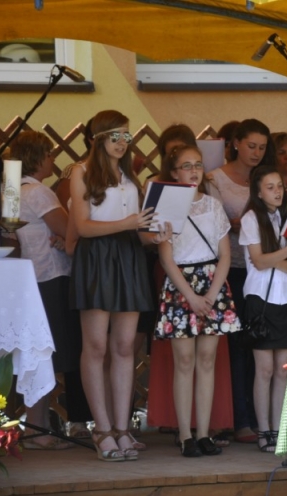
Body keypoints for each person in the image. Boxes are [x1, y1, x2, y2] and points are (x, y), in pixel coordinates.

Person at [69, 109, 171, 462]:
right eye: (115, 135)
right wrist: (127, 223)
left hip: (128, 257)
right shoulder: (81, 171)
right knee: (96, 345)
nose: (123, 142)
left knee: (126, 346)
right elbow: (83, 227)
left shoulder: (130, 176)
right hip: (96, 258)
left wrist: (154, 237)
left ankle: (122, 428)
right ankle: (101, 428)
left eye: (126, 135)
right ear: (98, 139)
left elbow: (138, 231)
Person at [154, 144, 241, 457]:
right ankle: (185, 435)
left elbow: (225, 254)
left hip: (212, 283)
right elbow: (166, 258)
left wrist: (212, 295)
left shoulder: (213, 205)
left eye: (198, 165)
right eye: (186, 166)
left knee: (207, 360)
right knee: (184, 361)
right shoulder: (166, 206)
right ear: (174, 172)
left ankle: (204, 433)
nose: (193, 171)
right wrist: (191, 296)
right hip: (181, 285)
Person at [9, 131, 89, 450]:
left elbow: (13, 239)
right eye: (49, 153)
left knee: (35, 351)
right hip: (52, 276)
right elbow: (70, 228)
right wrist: (65, 235)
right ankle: (40, 430)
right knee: (49, 353)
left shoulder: (11, 191)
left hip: (27, 277)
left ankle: (37, 426)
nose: (53, 159)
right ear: (37, 157)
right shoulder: (39, 192)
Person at [207, 118, 275, 445]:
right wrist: (239, 222)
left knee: (258, 344)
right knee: (235, 346)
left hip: (261, 271)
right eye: (251, 146)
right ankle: (239, 419)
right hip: (230, 267)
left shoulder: (266, 179)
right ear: (235, 143)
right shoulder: (215, 179)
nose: (256, 153)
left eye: (262, 147)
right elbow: (214, 223)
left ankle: (260, 417)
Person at [239, 165, 287, 453]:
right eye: (270, 187)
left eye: (279, 185)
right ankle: (264, 429)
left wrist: (275, 258)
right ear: (258, 192)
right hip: (260, 297)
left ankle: (278, 429)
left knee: (282, 370)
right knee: (265, 369)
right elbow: (258, 261)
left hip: (286, 297)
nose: (277, 191)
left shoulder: (286, 217)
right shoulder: (251, 218)